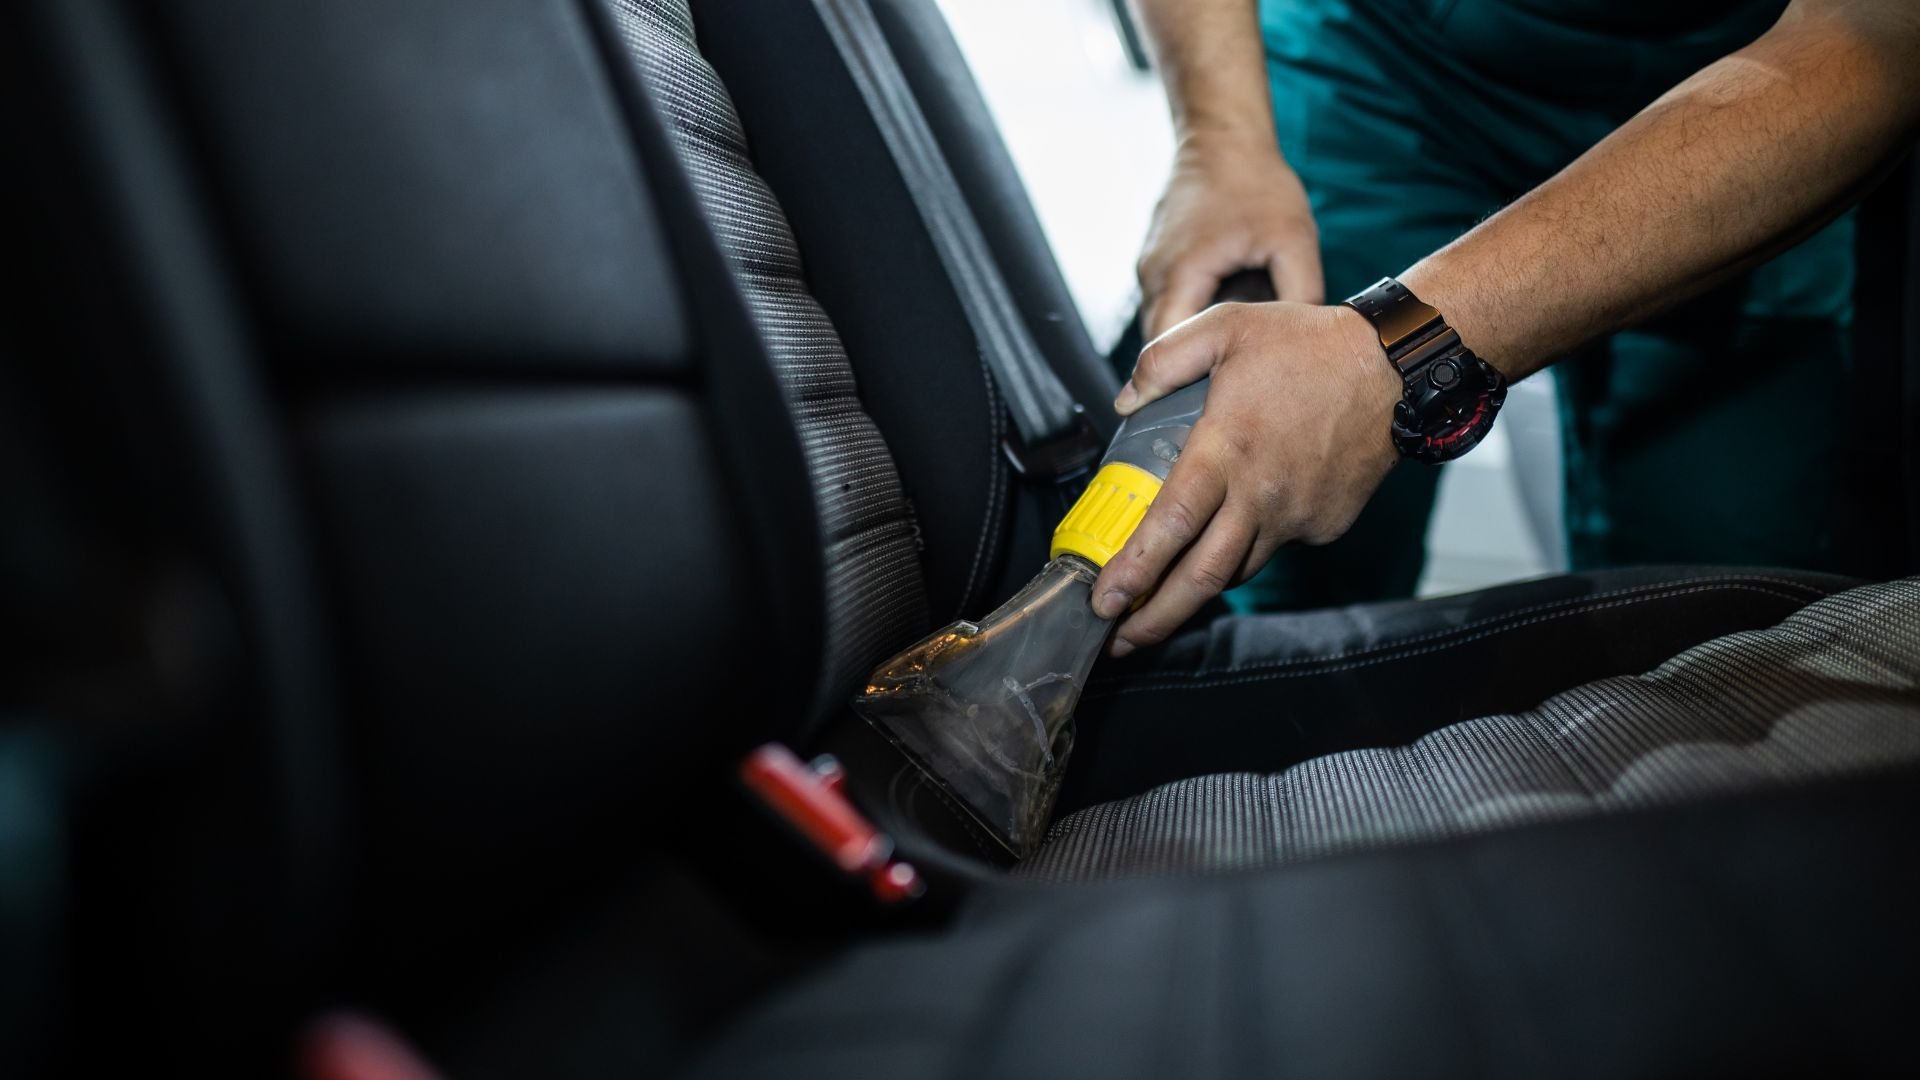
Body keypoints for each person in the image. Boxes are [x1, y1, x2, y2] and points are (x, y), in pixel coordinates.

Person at [1095, 0, 1920, 657]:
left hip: (1765, 79)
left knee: (1724, 614)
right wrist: (1220, 141)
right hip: (1381, 59)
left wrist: (1398, 352)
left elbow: (1881, 32)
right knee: (1258, 550)